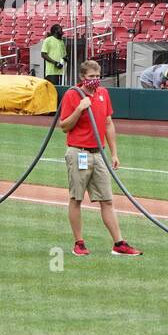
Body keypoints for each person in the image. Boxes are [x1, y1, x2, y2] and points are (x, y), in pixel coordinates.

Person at [59, 60, 141, 257]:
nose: (95, 81)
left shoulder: (104, 94)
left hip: (99, 153)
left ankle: (118, 243)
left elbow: (108, 123)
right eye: (91, 77)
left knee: (107, 200)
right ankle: (79, 243)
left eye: (97, 77)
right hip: (79, 152)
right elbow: (64, 126)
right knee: (76, 198)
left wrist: (114, 153)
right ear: (82, 78)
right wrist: (79, 108)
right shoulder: (73, 94)